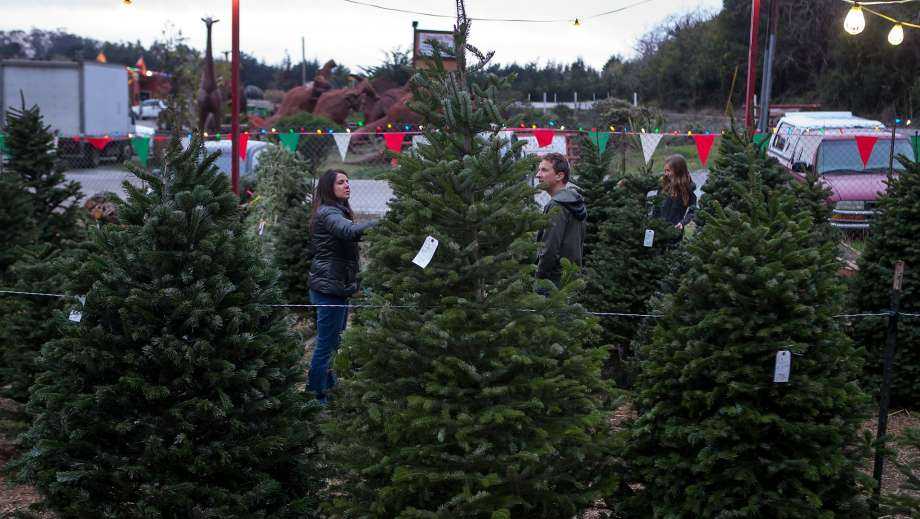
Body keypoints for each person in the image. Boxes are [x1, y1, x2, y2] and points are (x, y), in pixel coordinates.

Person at [307, 169, 377, 403]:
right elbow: (348, 231)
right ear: (329, 187)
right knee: (326, 344)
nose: (347, 185)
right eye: (340, 182)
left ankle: (328, 389)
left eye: (347, 181)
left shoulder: (337, 211)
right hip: (328, 289)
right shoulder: (328, 213)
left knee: (333, 342)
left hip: (336, 287)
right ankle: (316, 397)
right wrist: (380, 224)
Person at [534, 152, 587, 287]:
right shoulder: (575, 202)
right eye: (539, 170)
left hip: (552, 282)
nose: (538, 175)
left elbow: (549, 248)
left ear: (559, 175)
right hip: (570, 278)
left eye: (544, 170)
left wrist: (539, 277)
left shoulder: (557, 206)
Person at [654, 154, 697, 230]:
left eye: (668, 170)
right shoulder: (663, 186)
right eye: (665, 170)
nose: (666, 174)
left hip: (675, 231)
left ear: (678, 171)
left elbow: (693, 210)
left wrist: (683, 223)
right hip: (658, 229)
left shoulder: (687, 190)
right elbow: (656, 208)